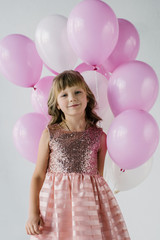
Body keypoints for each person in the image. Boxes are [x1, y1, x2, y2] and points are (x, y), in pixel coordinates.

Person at [25, 70, 130, 239]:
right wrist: (33, 213)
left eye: (77, 92)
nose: (72, 98)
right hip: (56, 206)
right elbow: (38, 175)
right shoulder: (50, 134)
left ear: (87, 98)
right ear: (57, 104)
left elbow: (98, 178)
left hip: (86, 206)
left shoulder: (100, 137)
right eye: (64, 95)